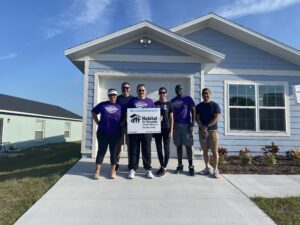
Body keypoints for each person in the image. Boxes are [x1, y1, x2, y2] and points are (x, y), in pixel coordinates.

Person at [92, 89, 122, 179]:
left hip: (116, 133)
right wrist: (97, 121)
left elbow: (126, 115)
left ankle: (113, 171)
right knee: (101, 151)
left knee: (114, 152)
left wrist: (123, 123)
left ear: (116, 96)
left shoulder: (120, 106)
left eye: (114, 95)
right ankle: (97, 171)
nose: (113, 97)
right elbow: (93, 112)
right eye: (111, 95)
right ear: (108, 96)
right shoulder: (102, 104)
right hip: (103, 133)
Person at [127, 84, 155, 179]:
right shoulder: (132, 101)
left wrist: (158, 118)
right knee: (134, 150)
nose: (141, 92)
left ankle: (148, 169)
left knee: (146, 150)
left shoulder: (150, 101)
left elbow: (154, 114)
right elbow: (127, 112)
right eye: (139, 90)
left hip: (146, 130)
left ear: (145, 91)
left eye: (143, 90)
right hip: (134, 129)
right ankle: (132, 169)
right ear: (137, 91)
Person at [196, 88, 221, 178]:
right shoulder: (199, 106)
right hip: (202, 132)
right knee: (205, 150)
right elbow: (197, 118)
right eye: (204, 94)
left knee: (214, 151)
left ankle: (215, 169)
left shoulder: (215, 105)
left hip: (213, 131)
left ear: (210, 94)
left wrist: (207, 126)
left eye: (207, 93)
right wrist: (201, 126)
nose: (205, 95)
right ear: (202, 95)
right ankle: (207, 168)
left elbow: (217, 117)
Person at [171, 84, 196, 176]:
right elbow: (170, 114)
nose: (178, 91)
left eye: (180, 89)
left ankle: (191, 166)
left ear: (183, 90)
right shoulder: (172, 101)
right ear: (175, 91)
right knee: (178, 145)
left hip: (186, 126)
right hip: (176, 126)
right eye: (177, 89)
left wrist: (192, 124)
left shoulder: (188, 99)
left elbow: (193, 111)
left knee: (188, 146)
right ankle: (180, 165)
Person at [153, 87, 174, 177]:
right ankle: (162, 166)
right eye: (161, 92)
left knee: (166, 148)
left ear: (166, 93)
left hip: (167, 128)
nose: (162, 94)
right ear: (159, 93)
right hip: (157, 129)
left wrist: (171, 130)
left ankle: (164, 167)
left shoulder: (169, 104)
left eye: (164, 92)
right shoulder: (155, 104)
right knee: (158, 148)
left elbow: (172, 118)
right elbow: (151, 115)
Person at [116, 82, 133, 171]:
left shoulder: (133, 99)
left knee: (130, 146)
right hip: (119, 125)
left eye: (127, 88)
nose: (125, 89)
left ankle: (130, 164)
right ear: (121, 88)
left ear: (129, 89)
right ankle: (116, 163)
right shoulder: (117, 98)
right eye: (123, 87)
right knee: (118, 145)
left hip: (131, 126)